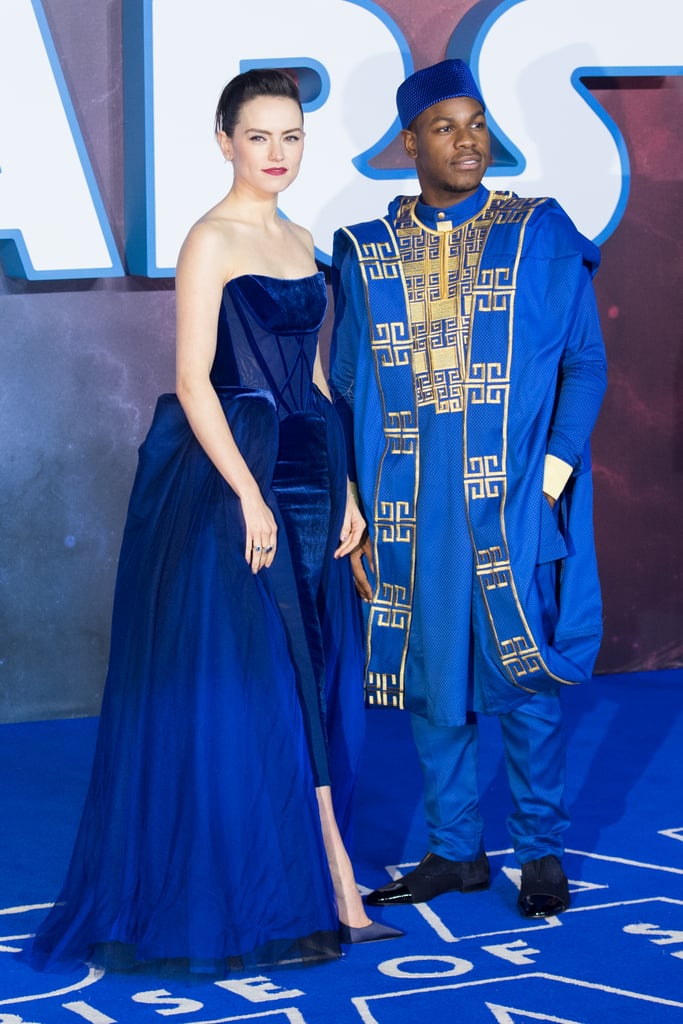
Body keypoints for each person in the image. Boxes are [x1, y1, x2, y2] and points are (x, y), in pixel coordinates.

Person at [26, 68, 400, 976]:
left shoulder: (301, 237)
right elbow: (195, 380)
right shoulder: (209, 241)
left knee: (310, 665)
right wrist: (247, 492)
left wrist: (347, 491)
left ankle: (333, 875)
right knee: (270, 676)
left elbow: (312, 380)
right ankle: (336, 885)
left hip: (314, 472)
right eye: (260, 136)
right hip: (246, 473)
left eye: (292, 137)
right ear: (224, 140)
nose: (277, 154)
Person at [329, 59, 607, 918]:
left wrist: (550, 475)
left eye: (477, 123)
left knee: (519, 676)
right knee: (430, 677)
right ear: (407, 142)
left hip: (513, 495)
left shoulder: (539, 232)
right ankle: (454, 851)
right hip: (409, 500)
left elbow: (582, 364)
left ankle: (541, 848)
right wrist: (358, 505)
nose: (468, 140)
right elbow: (344, 386)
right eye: (445, 127)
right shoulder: (366, 253)